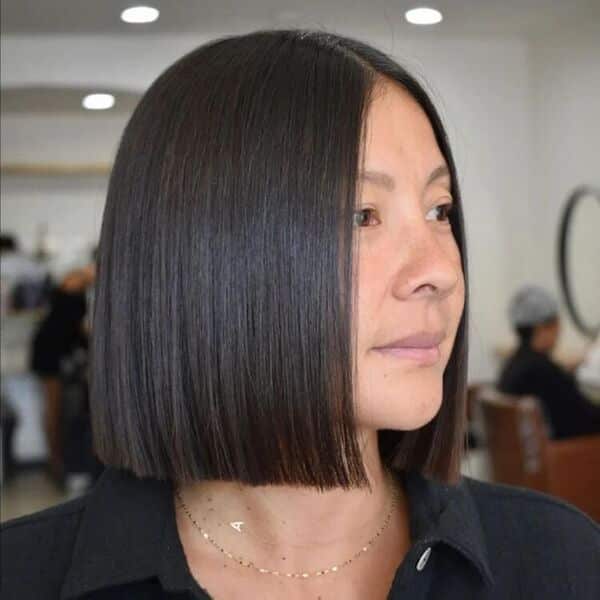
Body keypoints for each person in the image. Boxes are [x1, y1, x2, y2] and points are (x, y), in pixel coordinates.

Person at [1, 30, 598, 600]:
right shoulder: (26, 576)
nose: (441, 270)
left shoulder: (559, 561)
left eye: (440, 210)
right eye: (362, 215)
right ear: (211, 260)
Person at [498, 285, 600, 439]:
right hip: (571, 454)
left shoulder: (515, 364)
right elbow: (586, 419)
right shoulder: (542, 371)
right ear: (544, 327)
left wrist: (563, 372)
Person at [28, 257, 96, 487]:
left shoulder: (80, 286)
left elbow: (77, 328)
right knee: (54, 410)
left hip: (56, 351)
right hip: (49, 353)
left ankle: (58, 463)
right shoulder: (74, 280)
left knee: (57, 411)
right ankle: (55, 464)